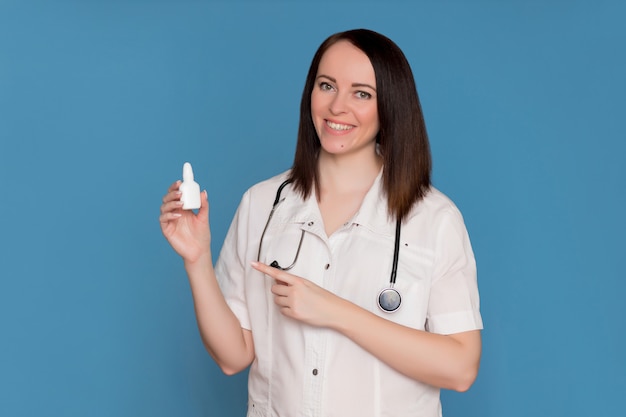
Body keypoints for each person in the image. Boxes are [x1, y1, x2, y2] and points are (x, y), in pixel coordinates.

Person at [160, 28, 483, 417]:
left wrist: (334, 310)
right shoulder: (262, 204)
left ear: (391, 107)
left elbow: (461, 367)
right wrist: (196, 260)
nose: (337, 107)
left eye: (361, 93)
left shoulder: (433, 219)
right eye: (326, 85)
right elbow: (233, 356)